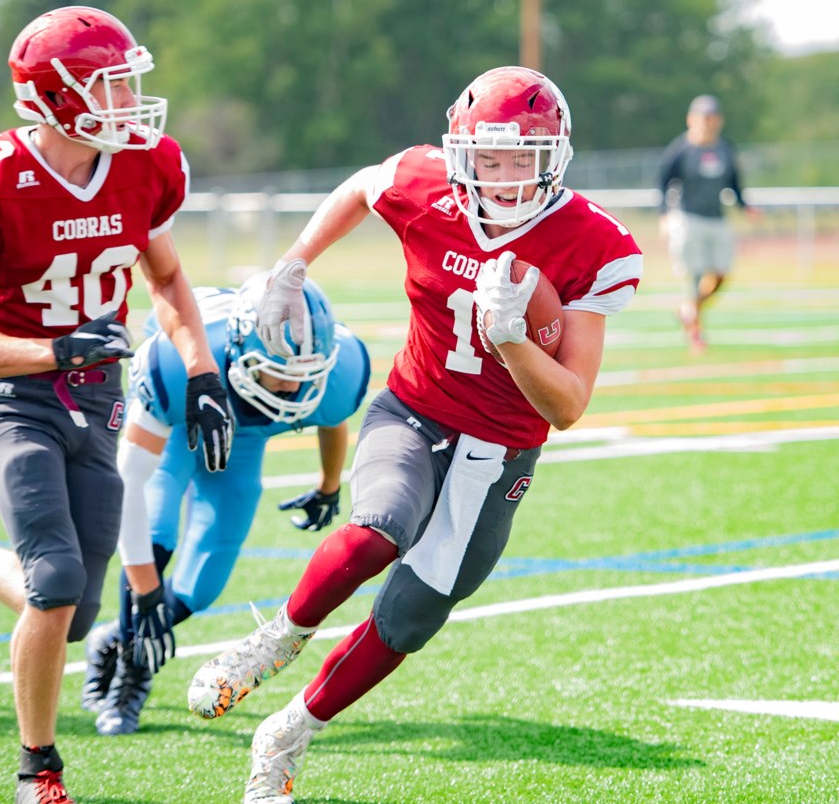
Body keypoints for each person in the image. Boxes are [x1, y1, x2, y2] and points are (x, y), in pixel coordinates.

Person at [187, 66, 643, 803]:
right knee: (377, 531)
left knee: (413, 612)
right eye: (488, 157)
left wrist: (514, 342)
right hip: (414, 408)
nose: (503, 174)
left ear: (553, 155)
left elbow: (569, 406)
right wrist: (294, 264)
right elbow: (362, 186)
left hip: (501, 449)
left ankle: (290, 731)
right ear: (460, 152)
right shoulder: (422, 182)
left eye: (522, 157)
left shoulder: (594, 243)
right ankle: (278, 636)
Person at [0, 6, 233, 804]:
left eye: (128, 82)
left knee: (73, 613)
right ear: (54, 95)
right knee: (52, 580)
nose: (129, 100)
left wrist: (203, 372)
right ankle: (38, 770)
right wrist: (50, 352)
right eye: (110, 85)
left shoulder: (145, 166)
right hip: (13, 395)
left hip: (97, 394)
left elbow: (167, 281)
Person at [81, 276, 370, 737]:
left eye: (308, 375)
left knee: (204, 582)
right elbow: (130, 489)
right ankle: (132, 678)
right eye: (281, 372)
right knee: (155, 536)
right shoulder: (174, 365)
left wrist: (329, 484)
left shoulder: (338, 371)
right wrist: (146, 593)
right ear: (239, 351)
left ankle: (116, 636)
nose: (295, 389)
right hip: (180, 422)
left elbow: (332, 416)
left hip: (245, 443)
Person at [658, 94, 761, 351]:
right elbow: (663, 182)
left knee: (721, 274)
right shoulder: (681, 149)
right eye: (703, 116)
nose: (707, 122)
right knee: (694, 275)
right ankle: (696, 332)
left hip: (717, 218)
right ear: (691, 119)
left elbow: (735, 182)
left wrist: (745, 205)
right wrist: (664, 214)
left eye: (711, 117)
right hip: (688, 217)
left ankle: (688, 310)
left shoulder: (725, 148)